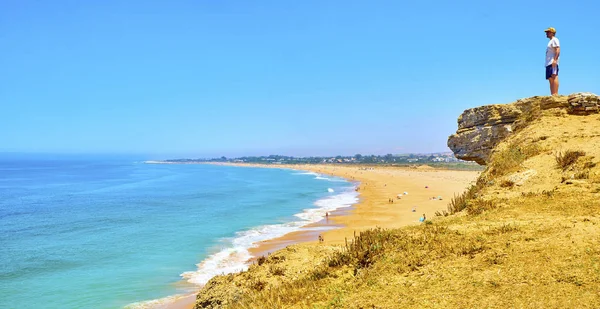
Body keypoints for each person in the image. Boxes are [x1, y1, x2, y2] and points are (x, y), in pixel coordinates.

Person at [544, 27, 560, 96]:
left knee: (554, 76)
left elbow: (557, 49)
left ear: (552, 33)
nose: (546, 33)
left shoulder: (555, 40)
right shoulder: (550, 41)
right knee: (550, 78)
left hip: (552, 61)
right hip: (548, 63)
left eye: (548, 32)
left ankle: (555, 93)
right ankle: (552, 94)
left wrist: (555, 60)